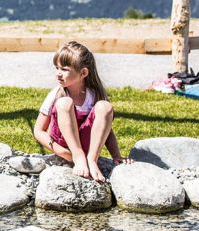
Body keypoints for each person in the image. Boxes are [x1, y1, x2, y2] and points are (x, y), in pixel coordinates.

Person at [32, 41, 130, 182]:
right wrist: (60, 151)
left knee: (105, 106)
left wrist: (116, 155)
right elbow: (38, 131)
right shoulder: (57, 94)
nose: (58, 74)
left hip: (87, 145)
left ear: (83, 72)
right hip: (63, 143)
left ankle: (91, 159)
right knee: (65, 103)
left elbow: (105, 129)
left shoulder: (94, 95)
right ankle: (79, 157)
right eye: (57, 68)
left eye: (64, 69)